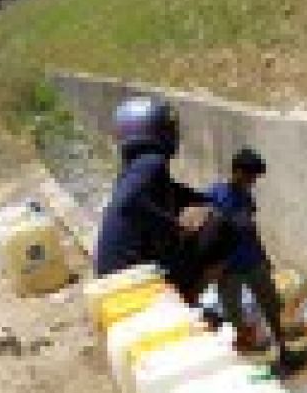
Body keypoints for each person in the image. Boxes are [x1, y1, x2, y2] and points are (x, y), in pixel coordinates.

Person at [95, 96, 229, 303]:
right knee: (222, 229)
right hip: (134, 282)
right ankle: (189, 302)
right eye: (169, 128)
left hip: (113, 280)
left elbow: (175, 193)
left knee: (208, 221)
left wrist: (208, 199)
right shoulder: (152, 162)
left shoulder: (135, 169)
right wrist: (175, 230)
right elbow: (129, 202)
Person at [202, 147, 289, 367]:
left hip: (253, 262)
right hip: (227, 269)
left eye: (255, 177)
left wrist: (264, 257)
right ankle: (247, 357)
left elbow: (251, 230)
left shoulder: (246, 198)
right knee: (234, 313)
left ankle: (283, 347)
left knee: (271, 304)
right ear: (237, 171)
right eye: (251, 176)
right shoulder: (214, 196)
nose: (253, 181)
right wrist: (209, 266)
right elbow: (204, 234)